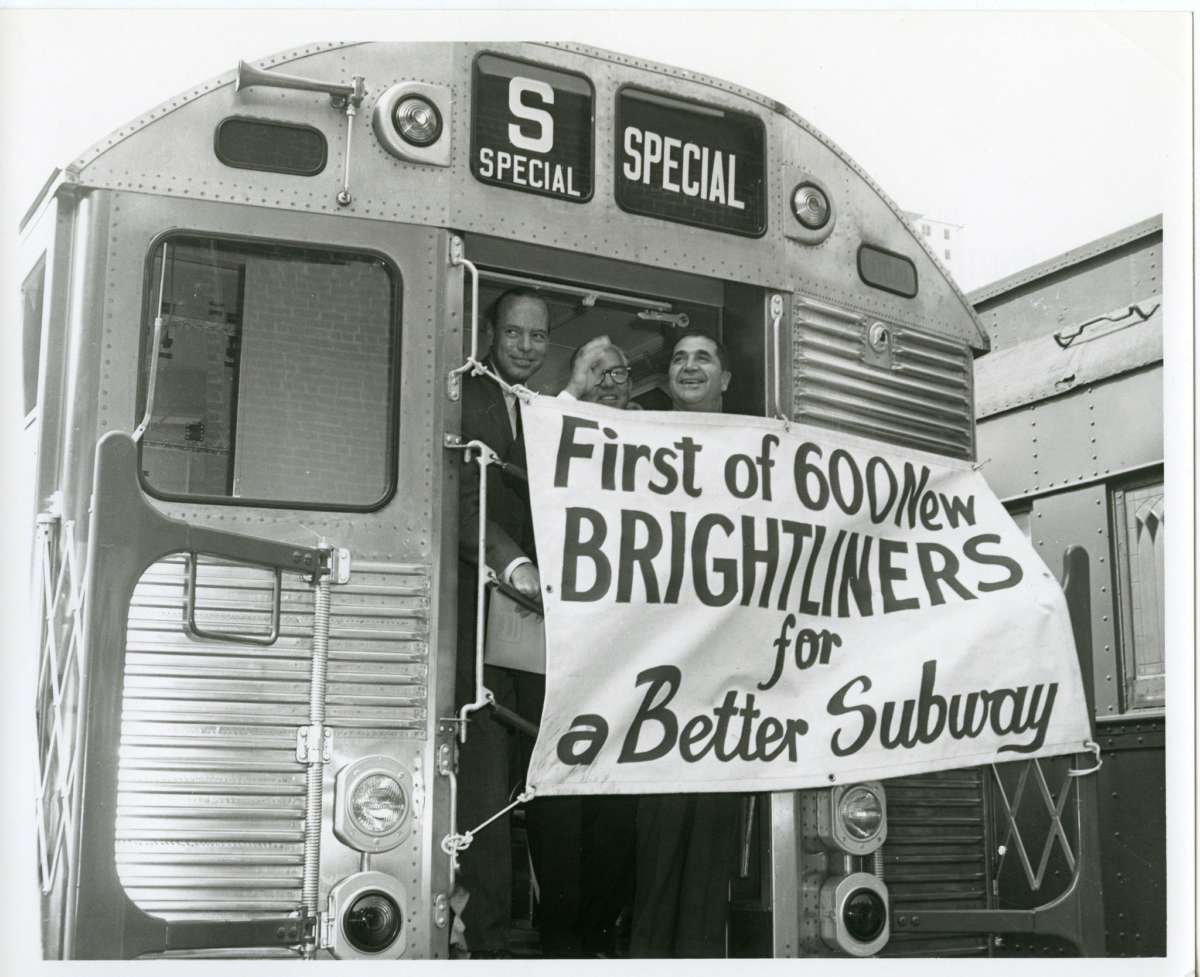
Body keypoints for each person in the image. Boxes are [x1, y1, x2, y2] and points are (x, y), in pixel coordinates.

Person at [629, 329, 741, 959]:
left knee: (711, 851)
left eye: (704, 358)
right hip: (661, 673)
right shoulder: (639, 442)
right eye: (679, 360)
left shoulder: (763, 447)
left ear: (726, 379)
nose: (689, 367)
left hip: (732, 679)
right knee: (660, 838)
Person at [455, 288, 556, 957]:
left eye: (537, 336)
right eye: (514, 332)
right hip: (479, 618)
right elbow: (460, 496)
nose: (525, 345)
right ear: (491, 332)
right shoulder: (465, 394)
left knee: (530, 777)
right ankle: (486, 942)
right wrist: (512, 561)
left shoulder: (544, 412)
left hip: (535, 626)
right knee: (486, 787)